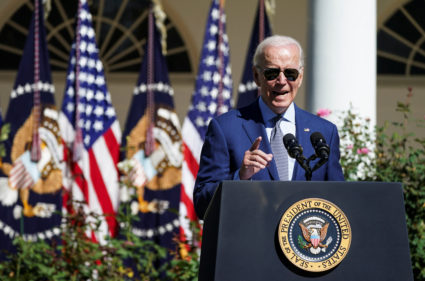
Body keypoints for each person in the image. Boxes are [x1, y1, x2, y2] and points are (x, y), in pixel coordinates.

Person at [193, 35, 344, 219]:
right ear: (257, 76)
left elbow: (339, 201)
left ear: (301, 77)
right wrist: (240, 177)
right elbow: (202, 204)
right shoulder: (225, 128)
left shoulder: (325, 132)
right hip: (249, 243)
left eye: (290, 73)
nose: (281, 81)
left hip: (304, 242)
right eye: (272, 73)